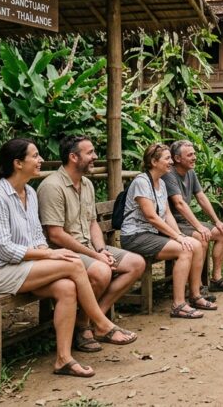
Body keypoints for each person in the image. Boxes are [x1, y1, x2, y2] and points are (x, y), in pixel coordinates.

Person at [0, 138, 137, 379]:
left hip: (24, 266)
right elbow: (5, 250)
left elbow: (37, 236)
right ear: (18, 163)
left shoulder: (29, 191)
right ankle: (101, 324)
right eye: (35, 156)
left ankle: (63, 359)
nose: (40, 160)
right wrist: (51, 253)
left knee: (66, 287)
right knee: (73, 263)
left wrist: (48, 252)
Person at [38, 136, 147, 353]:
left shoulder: (87, 184)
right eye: (90, 153)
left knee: (136, 263)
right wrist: (96, 256)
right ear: (73, 157)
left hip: (88, 247)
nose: (95, 157)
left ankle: (89, 322)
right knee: (101, 271)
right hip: (62, 252)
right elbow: (56, 235)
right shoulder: (52, 186)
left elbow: (92, 223)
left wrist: (101, 250)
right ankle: (87, 326)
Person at [119, 143, 217, 318]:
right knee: (185, 249)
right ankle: (178, 304)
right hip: (136, 235)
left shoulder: (161, 184)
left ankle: (195, 295)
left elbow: (167, 214)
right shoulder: (142, 181)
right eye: (167, 158)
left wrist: (179, 235)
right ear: (154, 161)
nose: (171, 162)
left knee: (194, 244)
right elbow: (151, 217)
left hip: (151, 234)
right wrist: (178, 238)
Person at [165, 140, 223, 294]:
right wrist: (199, 227)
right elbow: (179, 204)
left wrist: (217, 221)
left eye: (194, 154)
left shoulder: (190, 173)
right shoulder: (169, 175)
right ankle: (198, 285)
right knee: (202, 237)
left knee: (222, 233)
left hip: (186, 223)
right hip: (173, 224)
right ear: (177, 159)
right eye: (190, 155)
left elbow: (201, 197)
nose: (194, 157)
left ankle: (216, 279)